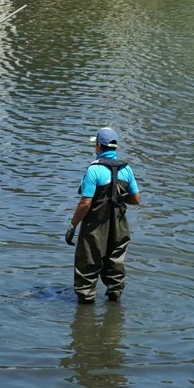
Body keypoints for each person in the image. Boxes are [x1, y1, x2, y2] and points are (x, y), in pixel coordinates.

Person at [66, 127, 141, 304]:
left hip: (95, 226)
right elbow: (136, 199)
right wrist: (117, 197)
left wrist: (72, 225)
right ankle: (114, 298)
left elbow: (85, 203)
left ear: (99, 146)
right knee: (115, 262)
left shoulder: (94, 170)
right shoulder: (126, 169)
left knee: (88, 263)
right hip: (119, 225)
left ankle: (86, 304)